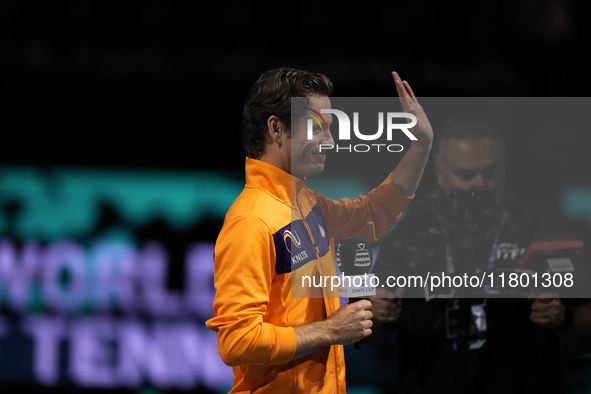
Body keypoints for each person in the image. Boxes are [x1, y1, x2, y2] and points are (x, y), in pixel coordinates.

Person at [205, 67, 433, 393]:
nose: (330, 140)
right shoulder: (251, 221)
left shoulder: (305, 203)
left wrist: (420, 146)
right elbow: (237, 341)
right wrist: (330, 331)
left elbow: (373, 213)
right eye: (317, 127)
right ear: (276, 128)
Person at [369, 119, 591, 394]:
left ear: (506, 169)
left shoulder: (539, 226)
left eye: (489, 172)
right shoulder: (413, 230)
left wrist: (563, 319)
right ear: (440, 173)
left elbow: (584, 338)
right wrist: (375, 315)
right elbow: (374, 335)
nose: (480, 184)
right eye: (466, 174)